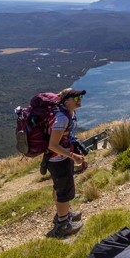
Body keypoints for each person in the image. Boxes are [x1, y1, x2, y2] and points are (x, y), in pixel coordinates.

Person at [45, 88, 87, 238]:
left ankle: (64, 214)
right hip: (58, 159)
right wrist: (72, 156)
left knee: (60, 187)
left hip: (60, 158)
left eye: (80, 97)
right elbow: (53, 145)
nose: (79, 100)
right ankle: (63, 226)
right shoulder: (61, 118)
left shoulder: (67, 113)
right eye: (76, 98)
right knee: (63, 191)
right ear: (67, 101)